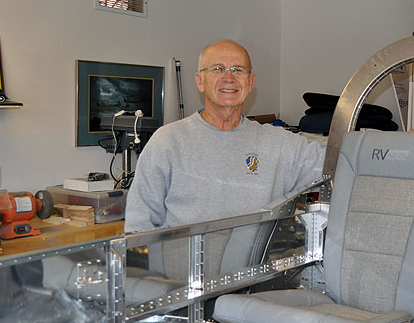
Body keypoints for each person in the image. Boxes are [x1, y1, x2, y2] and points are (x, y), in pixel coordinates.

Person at [125, 40, 327, 279]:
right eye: (217, 69)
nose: (229, 78)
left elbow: (341, 165)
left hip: (251, 290)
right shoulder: (168, 141)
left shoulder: (282, 144)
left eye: (237, 70)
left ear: (250, 82)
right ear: (200, 80)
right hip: (183, 287)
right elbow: (138, 228)